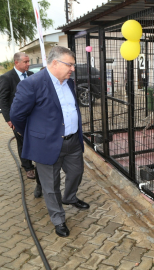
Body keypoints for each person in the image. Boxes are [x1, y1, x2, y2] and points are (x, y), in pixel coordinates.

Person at [10, 46, 89, 238]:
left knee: (77, 172)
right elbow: (17, 116)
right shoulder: (32, 84)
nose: (72, 69)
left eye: (73, 65)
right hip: (46, 144)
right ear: (55, 63)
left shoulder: (69, 83)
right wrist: (33, 134)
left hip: (72, 141)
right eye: (69, 65)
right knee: (50, 185)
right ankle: (58, 219)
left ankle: (69, 197)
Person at [0, 52, 42, 198]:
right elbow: (3, 100)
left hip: (34, 117)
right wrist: (9, 119)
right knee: (22, 142)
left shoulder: (31, 75)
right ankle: (28, 167)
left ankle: (39, 165)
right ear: (16, 63)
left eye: (28, 61)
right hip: (18, 118)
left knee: (35, 141)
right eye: (25, 61)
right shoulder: (6, 78)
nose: (28, 64)